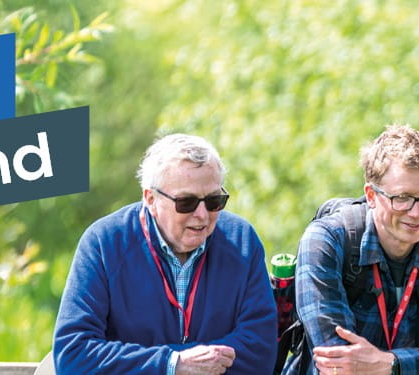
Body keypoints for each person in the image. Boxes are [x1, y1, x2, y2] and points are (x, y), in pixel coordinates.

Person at [281, 125, 419, 374]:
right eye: (402, 198)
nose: (416, 213)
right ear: (371, 195)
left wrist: (394, 364)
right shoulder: (327, 240)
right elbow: (338, 363)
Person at [53, 134, 277, 374]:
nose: (202, 214)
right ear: (151, 199)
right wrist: (173, 364)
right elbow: (74, 355)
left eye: (214, 201)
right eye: (186, 202)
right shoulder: (104, 242)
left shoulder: (241, 239)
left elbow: (260, 352)